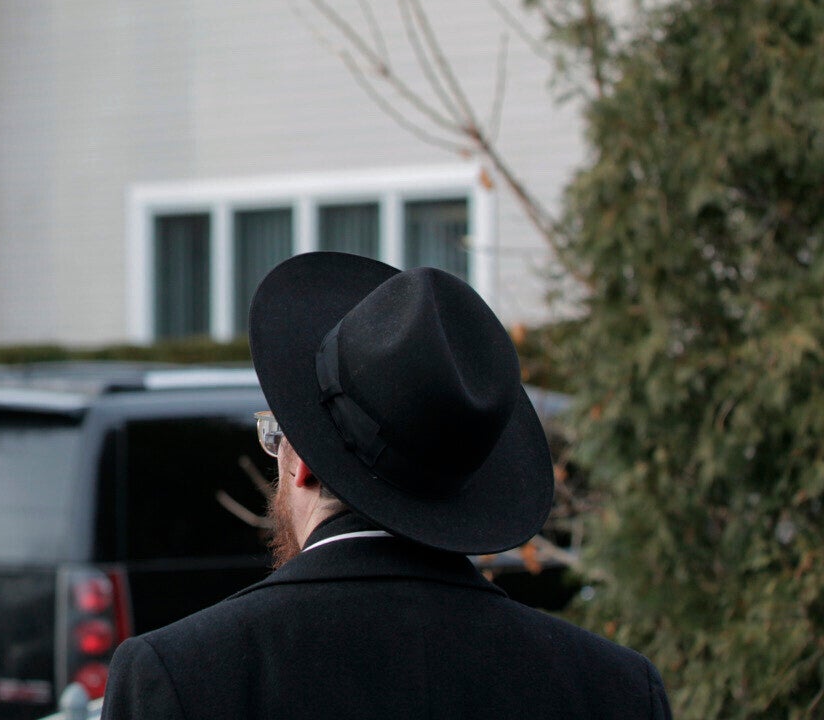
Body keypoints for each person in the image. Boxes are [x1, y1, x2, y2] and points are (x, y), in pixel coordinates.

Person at [102, 252, 671, 720]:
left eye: (275, 437)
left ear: (302, 464)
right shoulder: (613, 690)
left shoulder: (180, 676)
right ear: (475, 485)